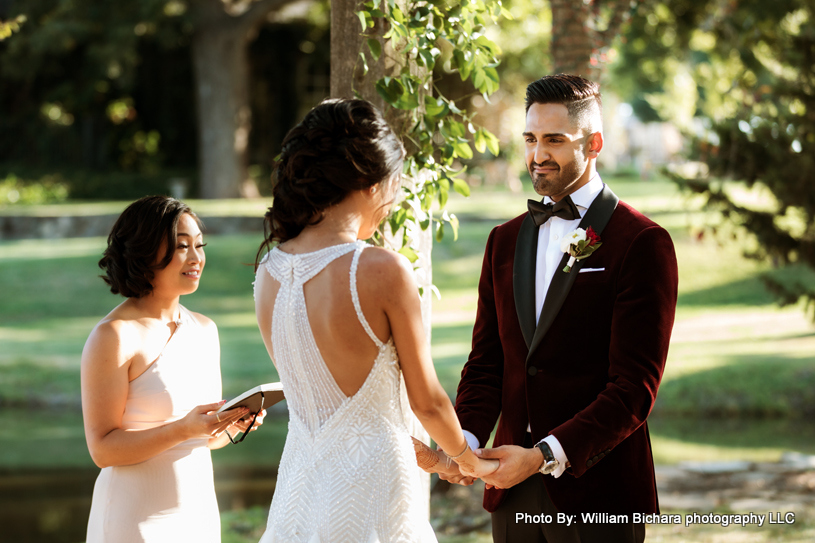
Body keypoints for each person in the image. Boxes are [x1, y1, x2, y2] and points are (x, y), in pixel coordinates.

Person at [444, 74, 679, 543]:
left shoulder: (641, 242)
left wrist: (545, 454)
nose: (537, 155)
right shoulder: (503, 241)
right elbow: (488, 361)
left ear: (593, 143)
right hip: (510, 496)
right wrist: (465, 443)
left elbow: (634, 389)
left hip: (599, 492)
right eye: (530, 139)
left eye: (554, 140)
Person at [252, 98, 497, 543]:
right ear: (370, 183)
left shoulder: (267, 271)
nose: (394, 197)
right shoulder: (380, 270)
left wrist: (441, 459)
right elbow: (428, 402)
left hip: (298, 491)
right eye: (394, 183)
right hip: (374, 493)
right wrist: (464, 458)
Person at [81, 196, 264, 543]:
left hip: (198, 515)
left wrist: (232, 424)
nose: (196, 258)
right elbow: (102, 450)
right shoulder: (114, 335)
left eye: (199, 245)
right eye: (182, 247)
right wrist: (183, 429)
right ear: (146, 252)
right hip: (132, 519)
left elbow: (205, 438)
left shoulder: (206, 330)